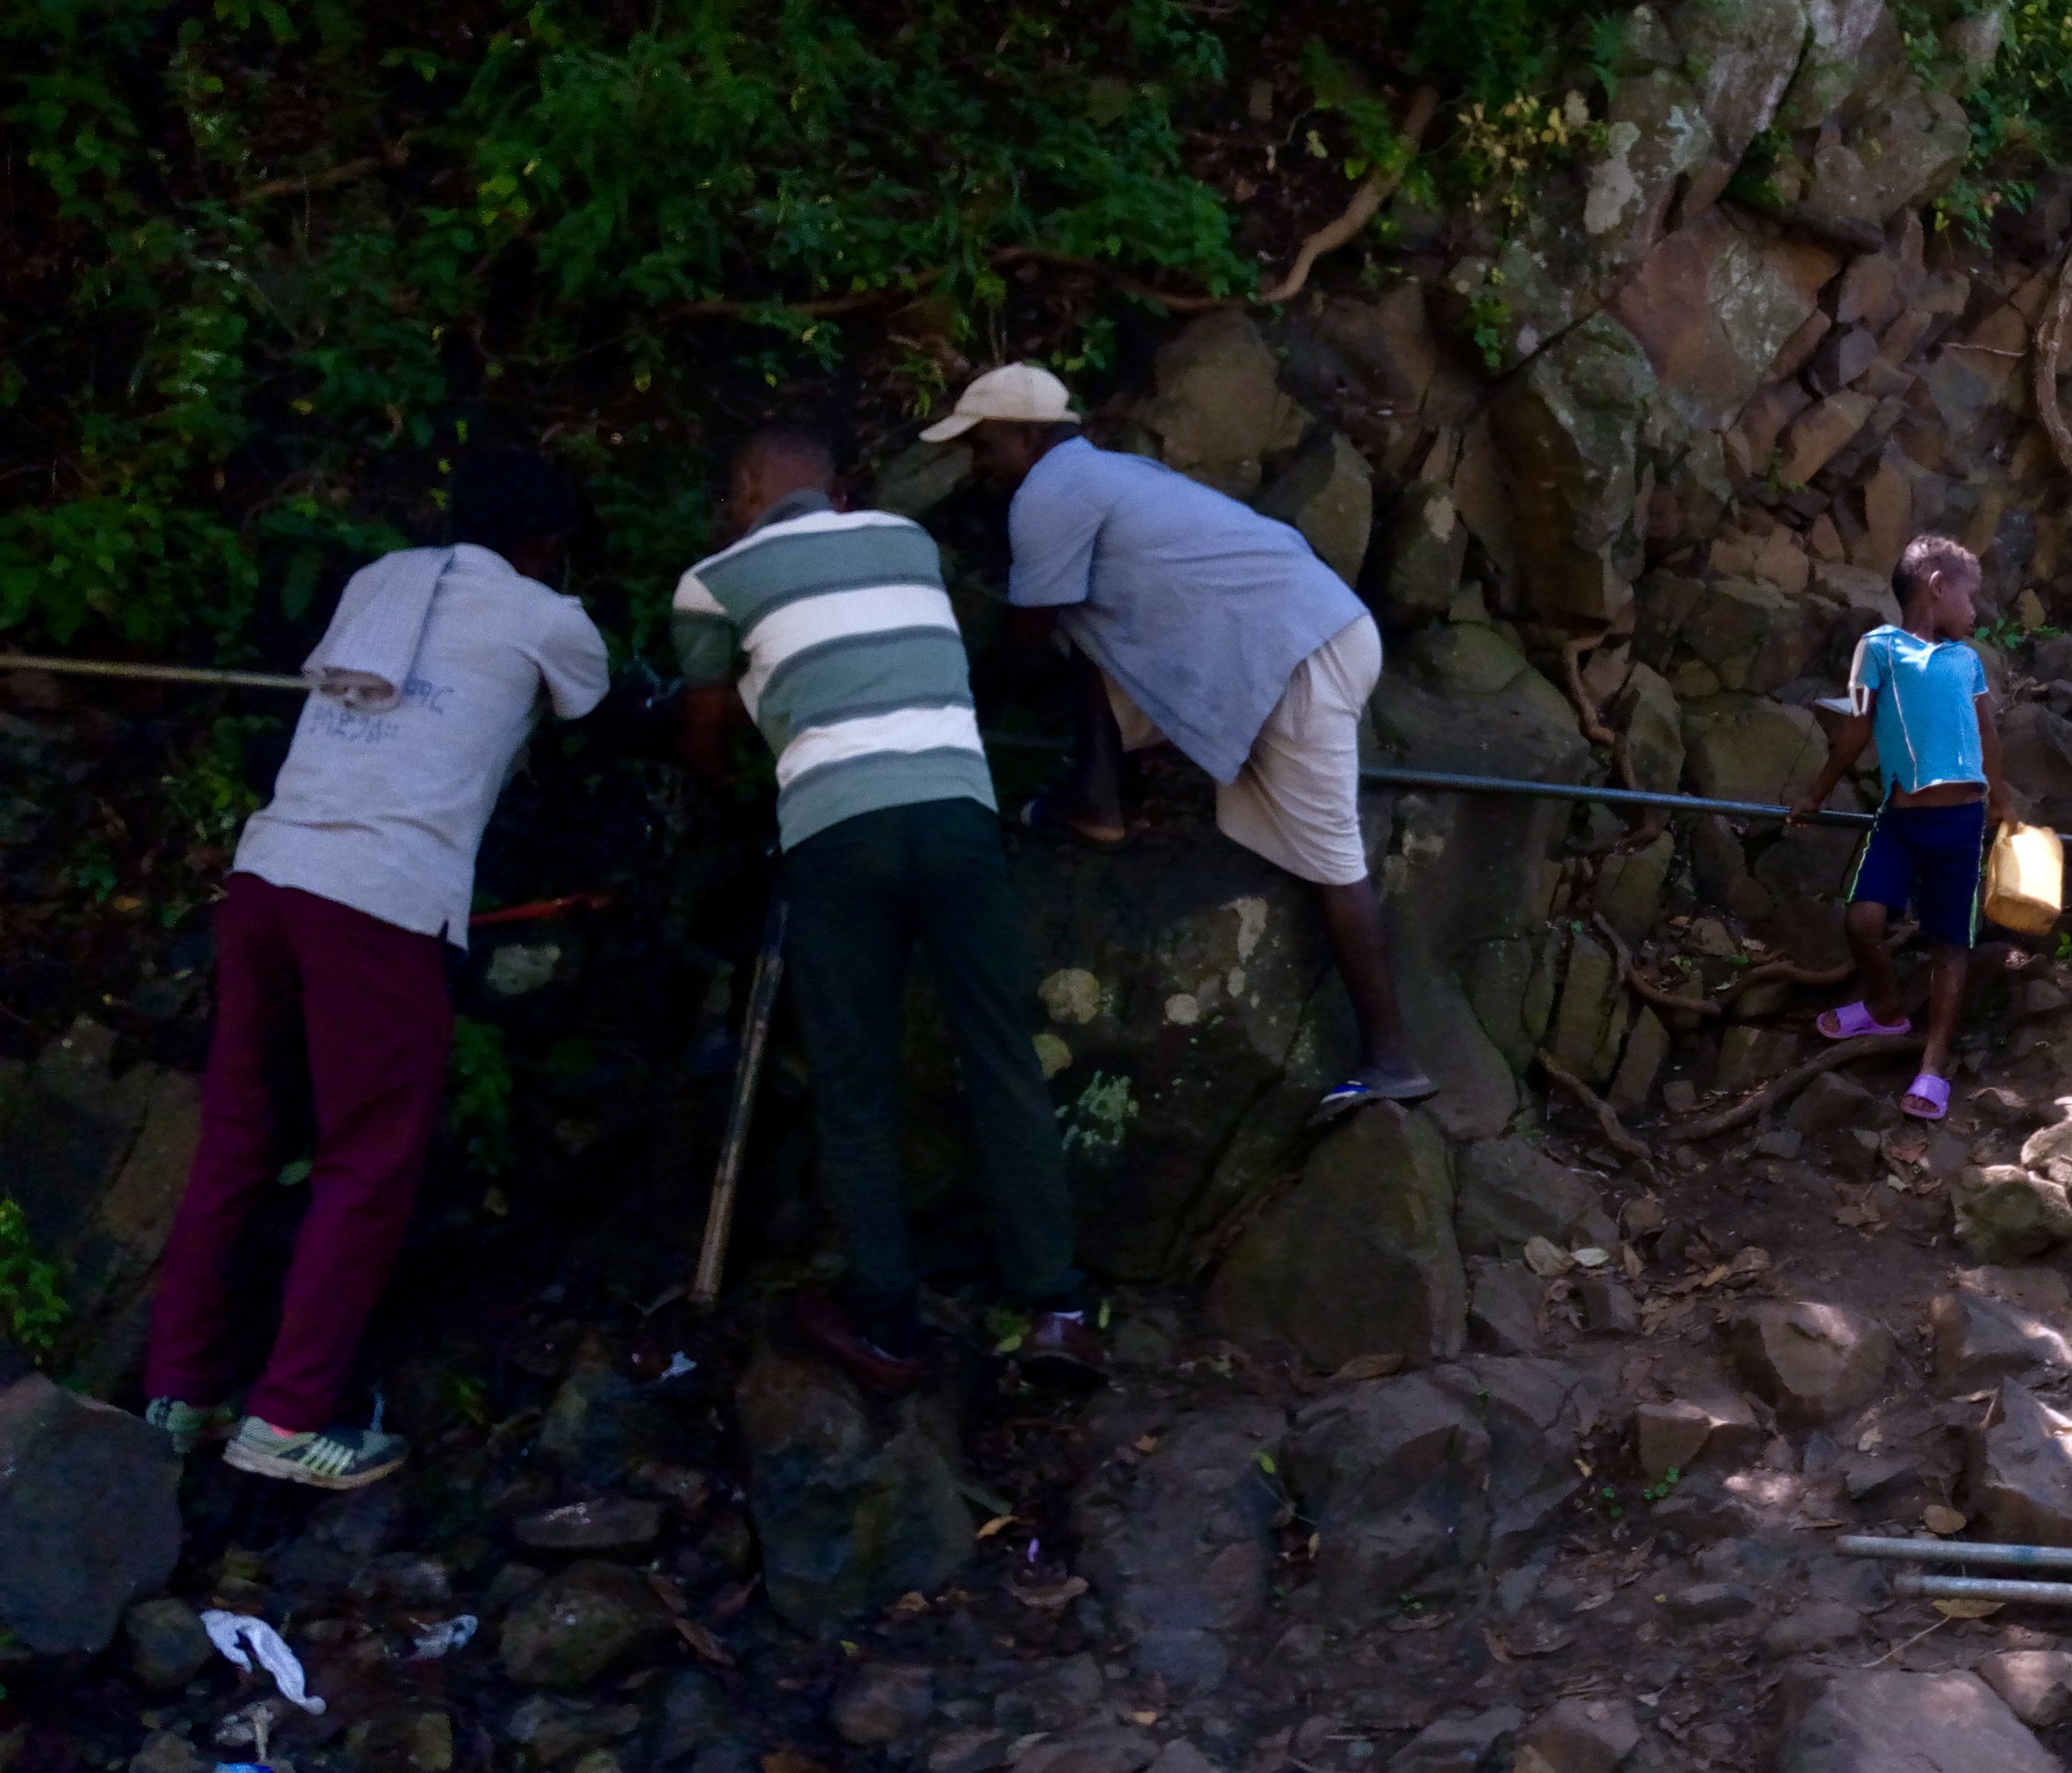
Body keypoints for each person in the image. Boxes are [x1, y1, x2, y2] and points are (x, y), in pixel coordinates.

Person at [143, 449, 610, 1487]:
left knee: (238, 1139)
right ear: (548, 547)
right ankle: (286, 1419)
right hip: (379, 897)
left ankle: (171, 1398)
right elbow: (599, 715)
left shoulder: (379, 579)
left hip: (266, 873)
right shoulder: (549, 617)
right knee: (366, 1158)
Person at [672, 422, 1099, 1393]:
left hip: (836, 831)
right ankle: (1057, 1309)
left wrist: (747, 776)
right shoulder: (910, 544)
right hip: (956, 811)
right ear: (833, 489)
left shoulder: (712, 580)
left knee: (853, 1078)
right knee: (1000, 1051)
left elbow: (700, 741)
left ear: (747, 487)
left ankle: (887, 1319)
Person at [923, 363, 1432, 1118]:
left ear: (1028, 436)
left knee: (1333, 857)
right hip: (1303, 632)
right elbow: (1074, 625)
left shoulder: (1049, 495)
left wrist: (948, 705)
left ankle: (1392, 1058)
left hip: (1296, 654)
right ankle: (1095, 800)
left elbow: (1026, 638)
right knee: (1086, 624)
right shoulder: (1108, 474)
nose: (977, 462)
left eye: (984, 443)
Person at [1792, 534, 2011, 1122]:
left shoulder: (1966, 662)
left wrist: (2002, 804)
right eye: (1969, 599)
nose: (1974, 614)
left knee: (1948, 943)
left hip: (1961, 824)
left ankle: (1932, 1064)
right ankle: (1886, 1004)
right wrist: (1814, 794)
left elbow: (1986, 736)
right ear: (1936, 588)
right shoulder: (1877, 648)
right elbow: (1858, 729)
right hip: (1899, 820)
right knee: (1862, 920)